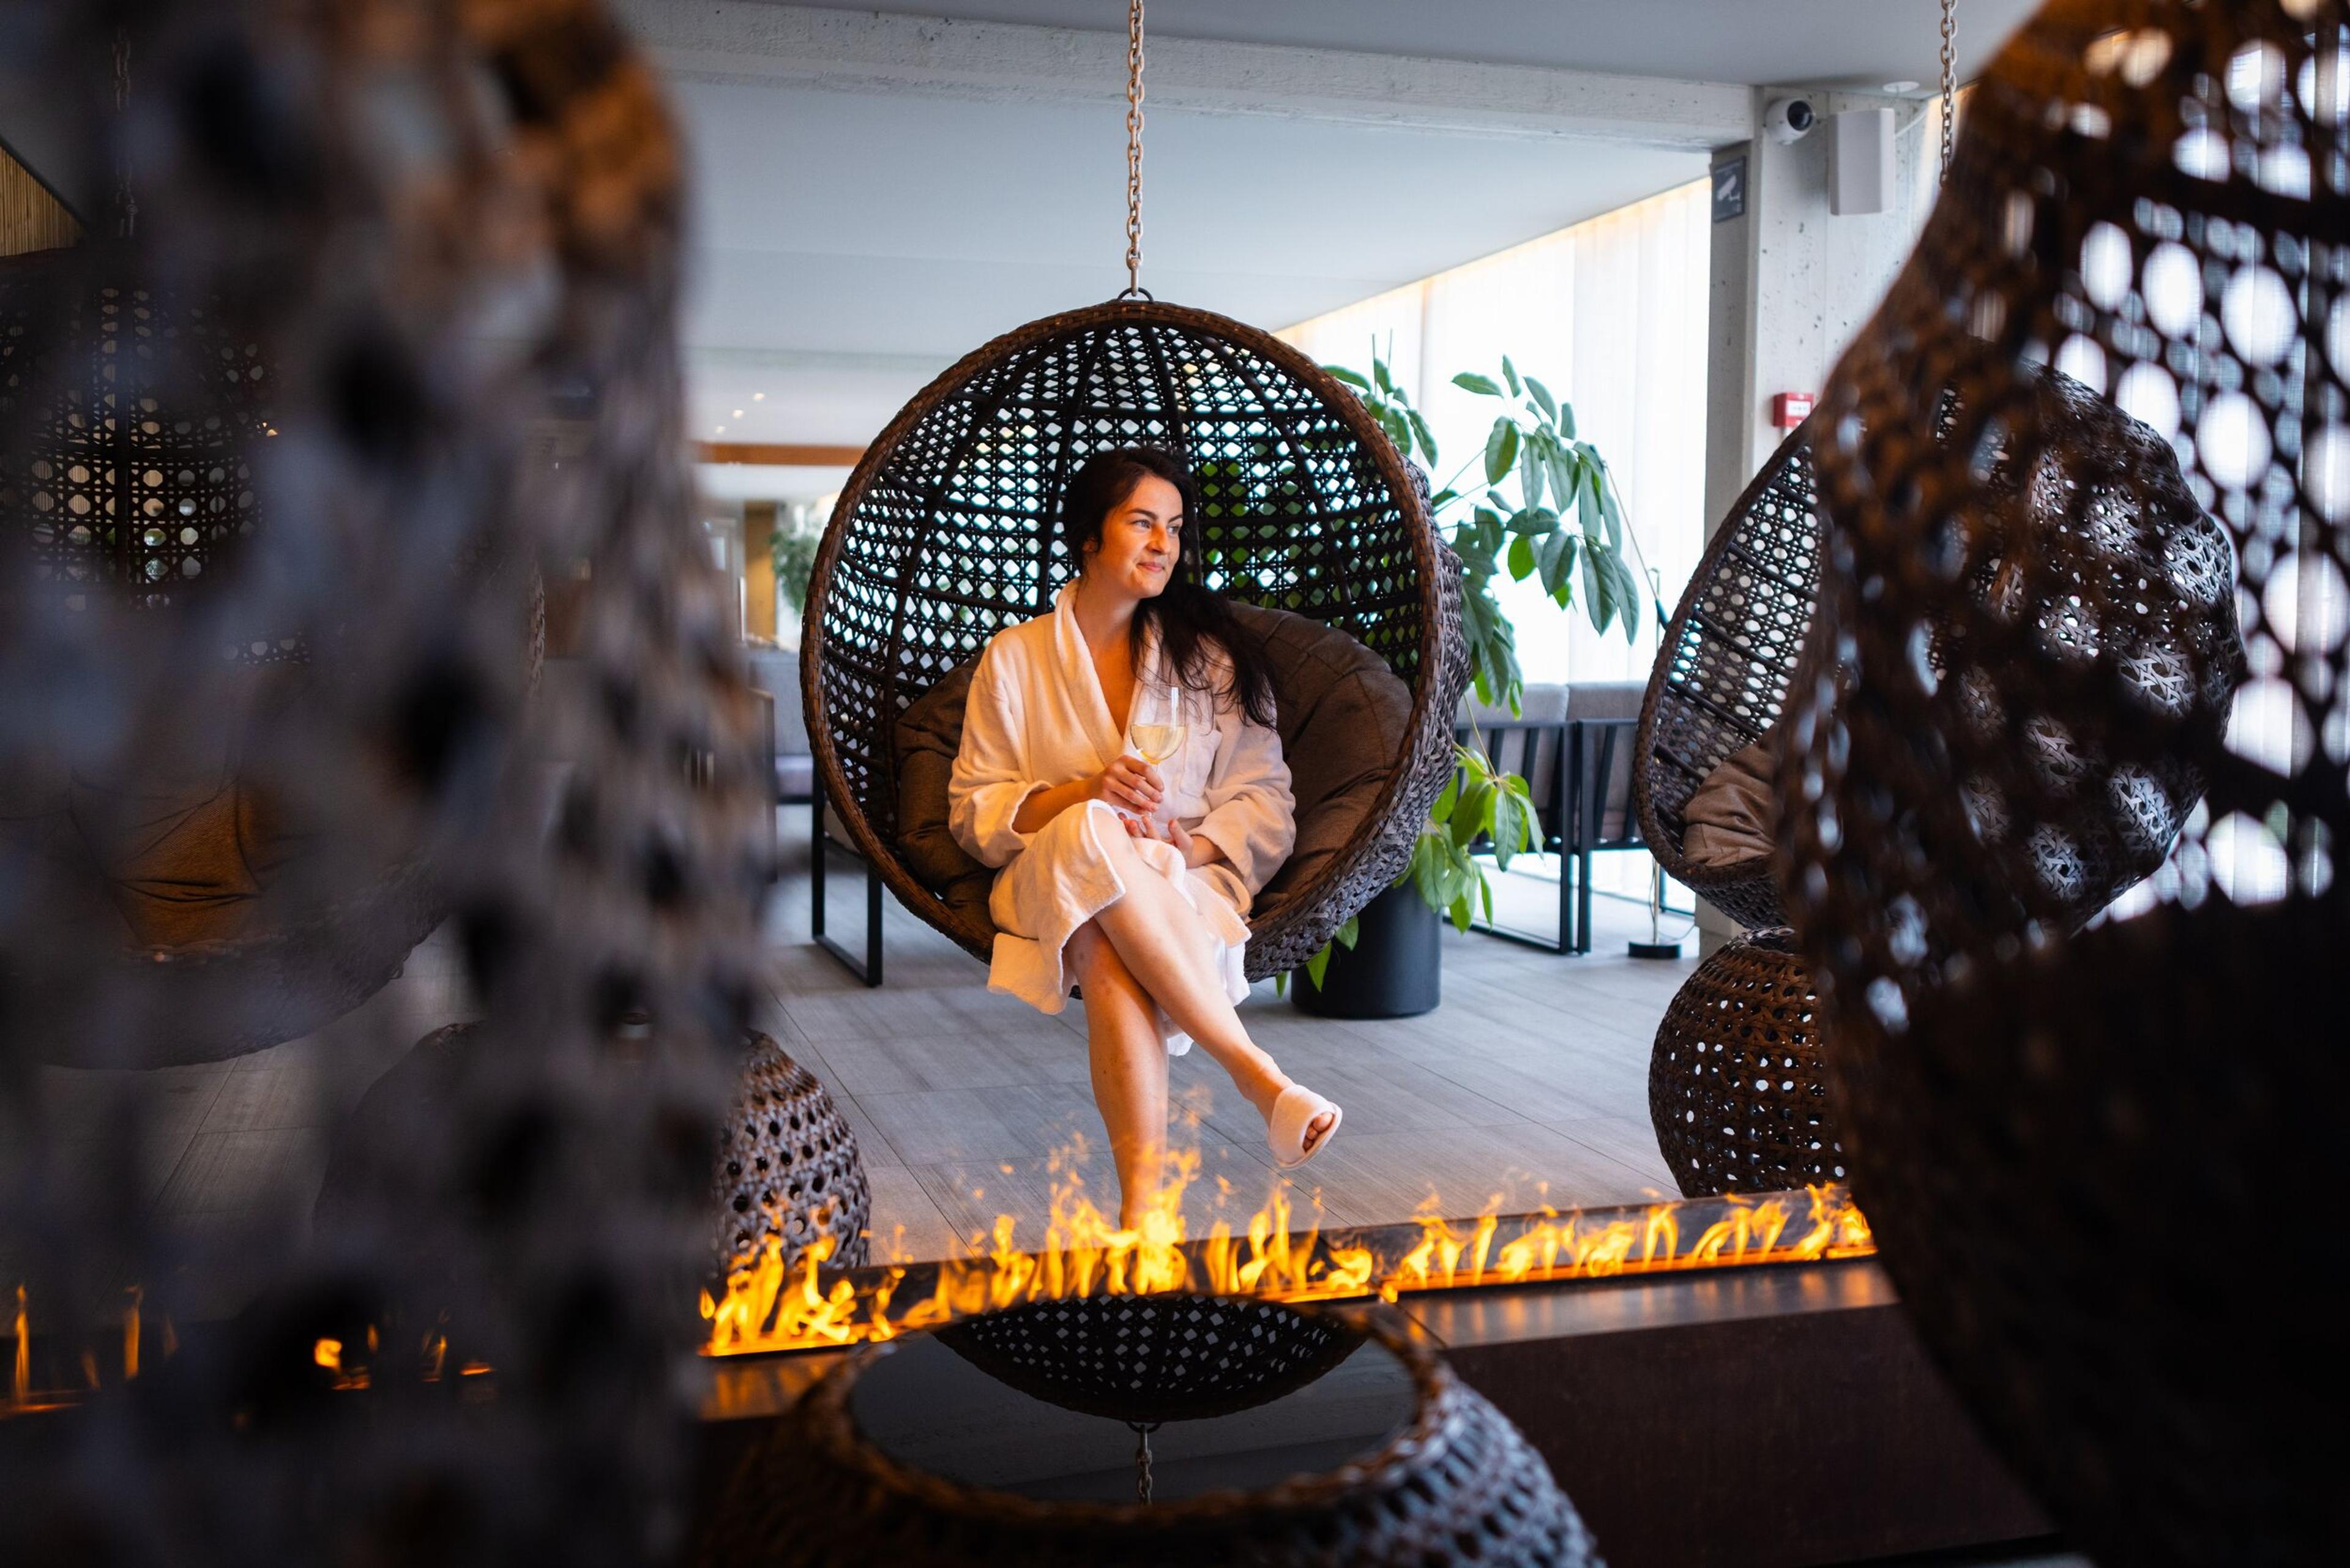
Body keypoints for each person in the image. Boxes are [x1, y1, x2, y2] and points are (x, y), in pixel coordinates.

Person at [949, 446, 1342, 1229]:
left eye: (1173, 527)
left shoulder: (1206, 660)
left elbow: (1267, 800)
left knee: (1100, 943)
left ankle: (1143, 1219)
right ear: (1088, 538)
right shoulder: (1015, 660)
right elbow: (973, 813)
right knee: (1089, 834)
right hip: (1043, 876)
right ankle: (1256, 1075)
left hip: (1182, 881)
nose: (1163, 543)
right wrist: (1081, 794)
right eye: (1141, 523)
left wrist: (1188, 846)